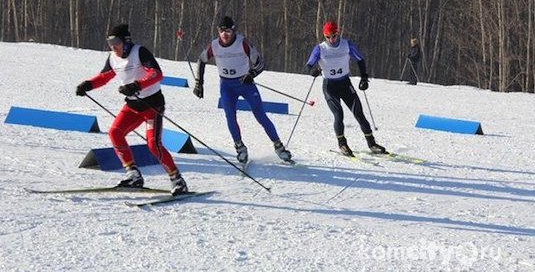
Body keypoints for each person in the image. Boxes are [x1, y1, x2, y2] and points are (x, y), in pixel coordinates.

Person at [75, 24, 188, 195]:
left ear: (126, 42)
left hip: (152, 105)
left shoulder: (139, 52)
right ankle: (133, 175)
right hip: (133, 106)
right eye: (109, 42)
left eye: (116, 42)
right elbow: (105, 76)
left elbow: (156, 74)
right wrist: (88, 85)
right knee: (115, 132)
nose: (113, 46)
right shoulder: (113, 57)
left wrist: (137, 85)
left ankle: (177, 179)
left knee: (153, 145)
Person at [192, 16, 292, 164]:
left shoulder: (242, 43)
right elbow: (201, 60)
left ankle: (279, 147)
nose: (224, 34)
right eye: (221, 31)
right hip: (227, 86)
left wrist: (251, 74)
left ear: (233, 30)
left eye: (227, 31)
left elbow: (260, 63)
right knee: (230, 116)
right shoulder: (214, 45)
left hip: (244, 84)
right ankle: (240, 148)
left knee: (260, 114)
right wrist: (199, 83)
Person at [305, 21, 386, 157]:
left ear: (338, 33)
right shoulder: (320, 48)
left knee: (359, 114)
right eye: (328, 37)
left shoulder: (346, 45)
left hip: (345, 84)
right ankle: (342, 144)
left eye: (334, 36)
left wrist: (364, 78)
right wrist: (312, 71)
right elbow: (308, 65)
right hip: (330, 86)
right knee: (338, 114)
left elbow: (360, 60)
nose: (331, 40)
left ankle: (372, 144)